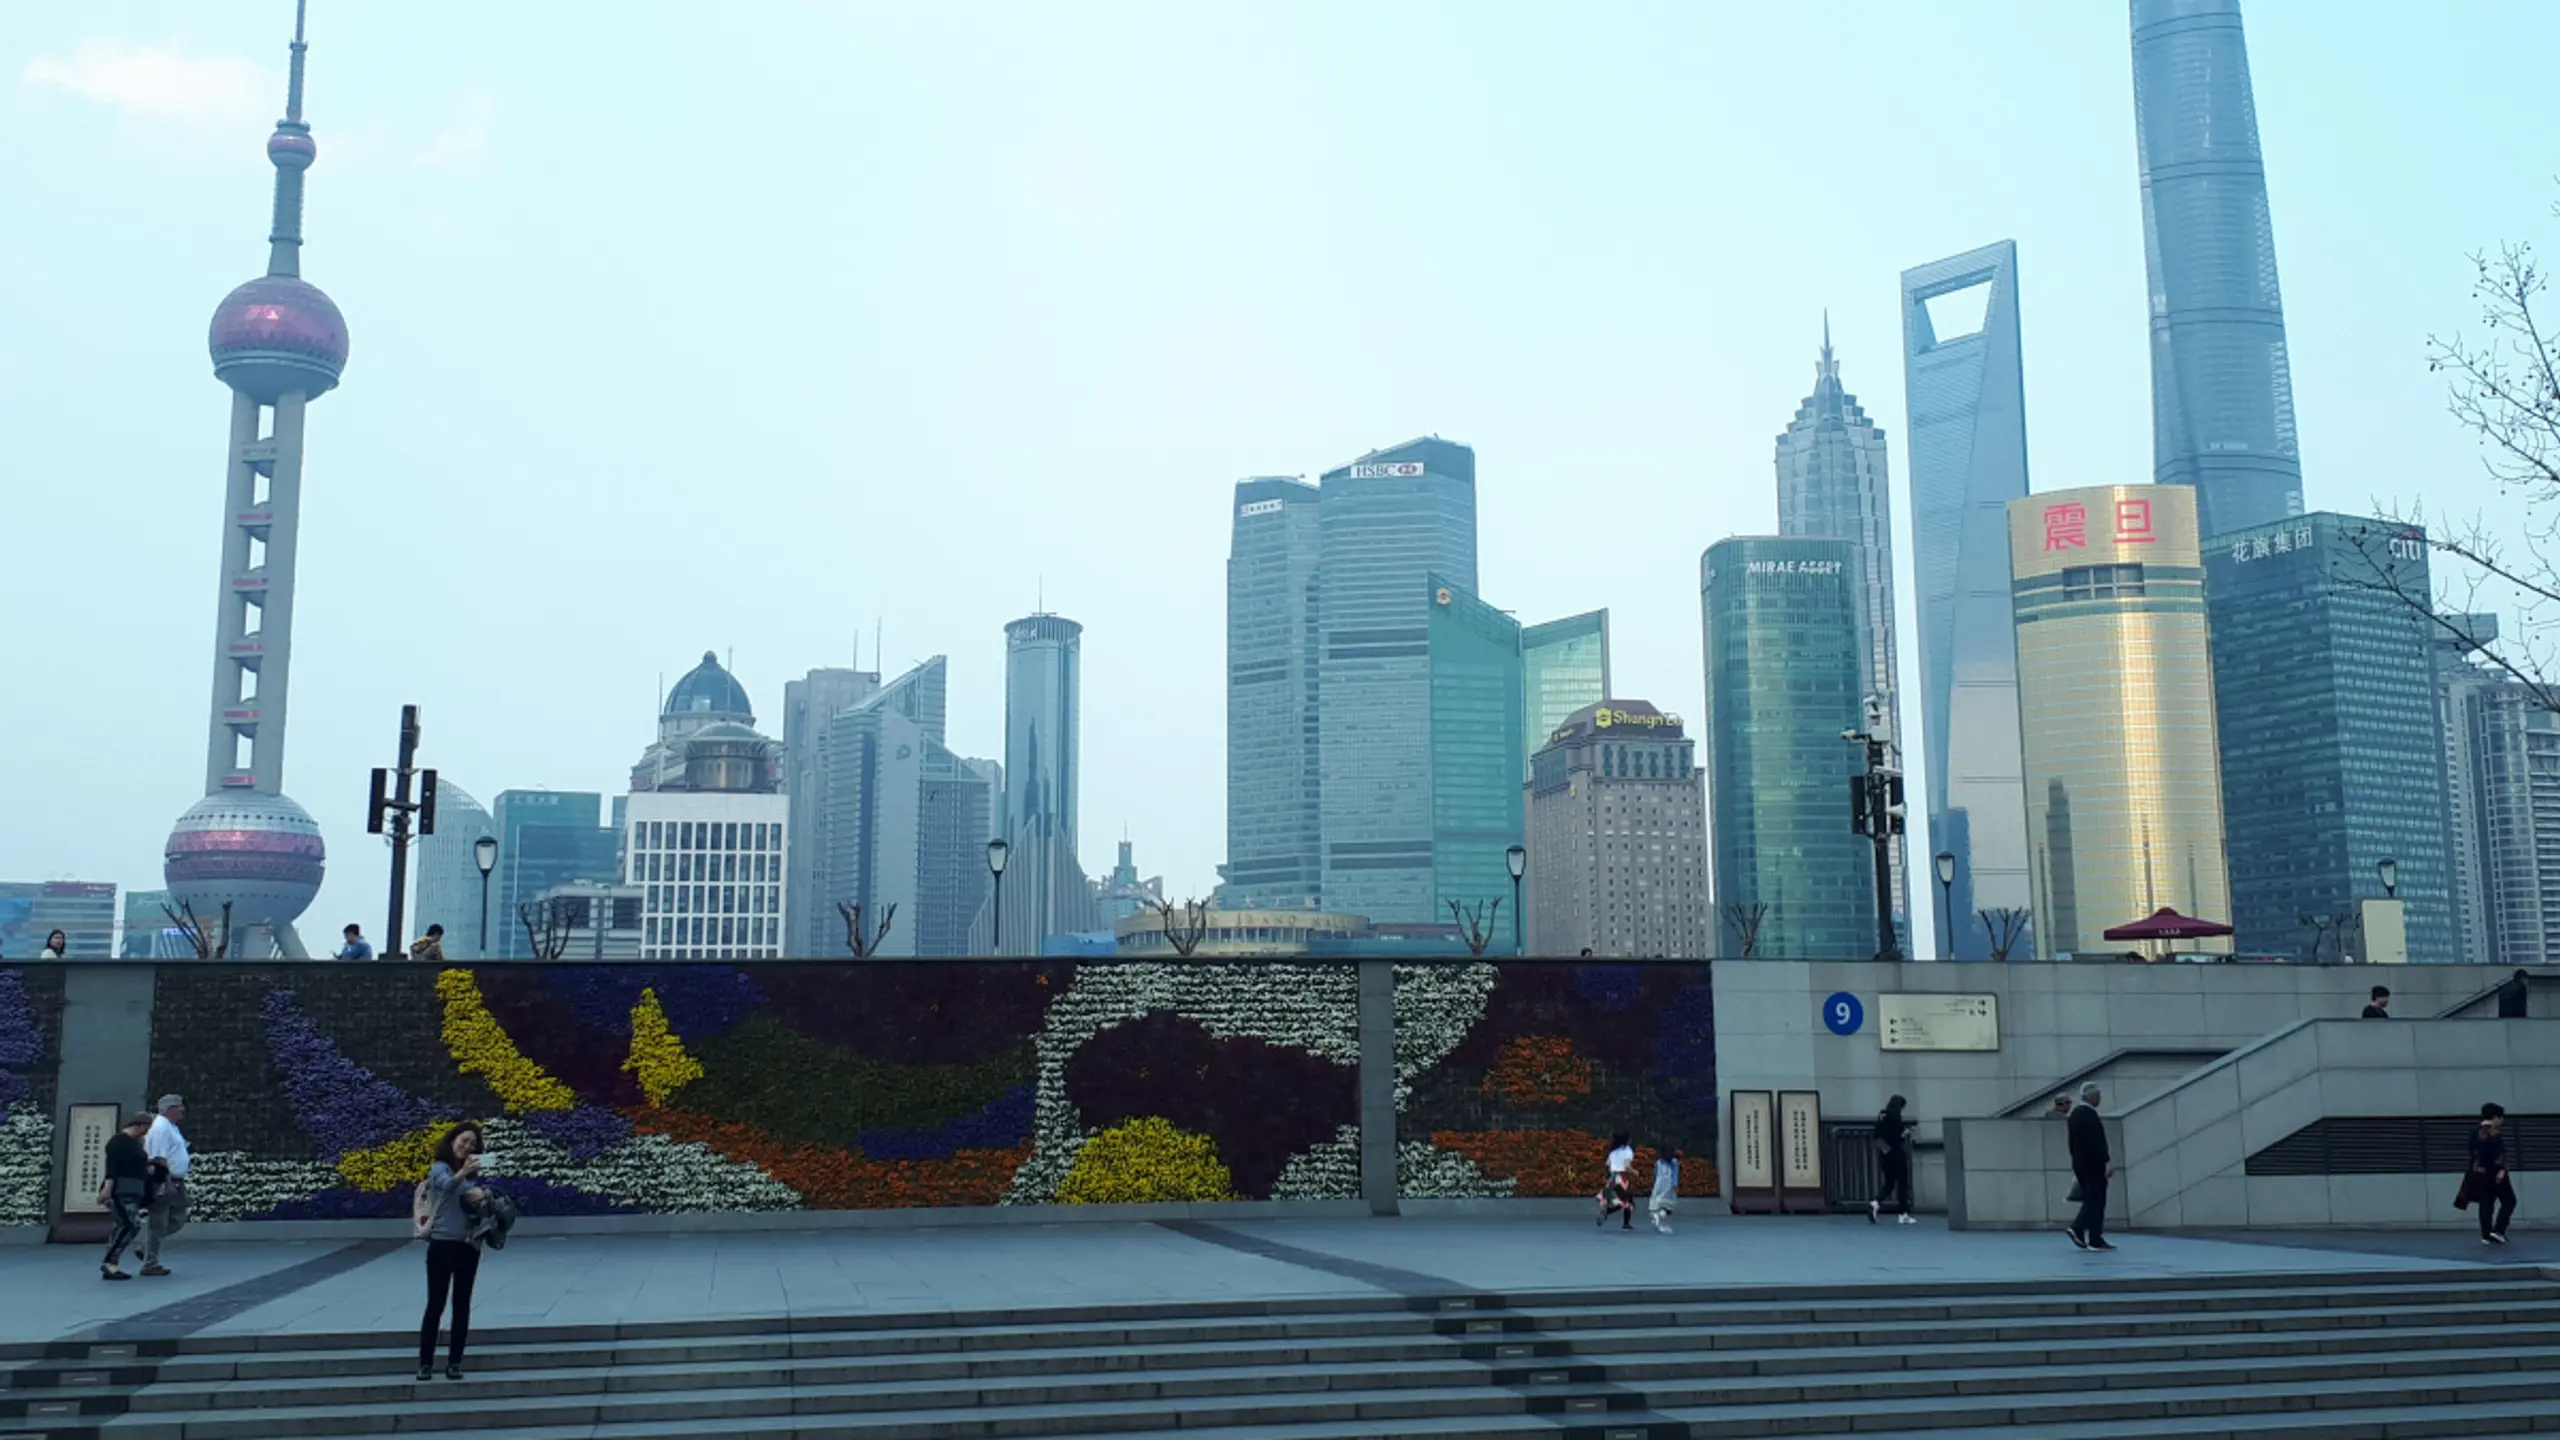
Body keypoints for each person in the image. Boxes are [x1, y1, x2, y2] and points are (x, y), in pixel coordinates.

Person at [418, 1122, 490, 1380]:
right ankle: (425, 1363)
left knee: (462, 1304)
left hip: (468, 1245)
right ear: (452, 1141)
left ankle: (455, 1362)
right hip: (442, 1244)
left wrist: (482, 1198)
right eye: (464, 1140)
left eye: (472, 1143)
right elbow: (445, 1186)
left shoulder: (473, 1177)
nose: (467, 1146)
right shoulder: (440, 1168)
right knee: (436, 1303)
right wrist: (463, 1175)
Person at [98, 1112, 155, 1280]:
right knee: (130, 1225)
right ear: (138, 1125)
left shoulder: (135, 1143)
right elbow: (112, 1167)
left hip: (133, 1190)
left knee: (123, 1226)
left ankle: (112, 1262)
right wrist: (108, 1188)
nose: (146, 1132)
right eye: (145, 1128)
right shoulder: (118, 1142)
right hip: (120, 1190)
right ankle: (109, 1263)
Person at [138, 1094, 190, 1275]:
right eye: (179, 1106)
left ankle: (147, 1248)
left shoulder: (171, 1127)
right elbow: (158, 1158)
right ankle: (150, 1262)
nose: (182, 1109)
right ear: (169, 1109)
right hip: (163, 1180)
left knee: (178, 1217)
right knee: (158, 1221)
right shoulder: (160, 1128)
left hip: (175, 1180)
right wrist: (166, 1182)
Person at [2066, 1084, 2114, 1251]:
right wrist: (2106, 1161)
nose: (2100, 1098)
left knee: (2092, 1198)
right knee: (2096, 1199)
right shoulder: (2089, 1115)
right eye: (2098, 1094)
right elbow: (2097, 1142)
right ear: (2091, 1096)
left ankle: (2092, 1237)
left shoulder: (2074, 1115)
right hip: (2093, 1165)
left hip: (2081, 1164)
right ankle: (2081, 1228)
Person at [2466, 1103, 2518, 1245]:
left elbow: (2474, 1153)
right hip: (2495, 1173)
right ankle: (2498, 1231)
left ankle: (2486, 1234)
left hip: (2479, 1173)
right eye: (2500, 1118)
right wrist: (2502, 1170)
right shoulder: (2494, 1133)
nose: (2501, 1121)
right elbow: (2499, 1154)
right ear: (2495, 1117)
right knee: (2509, 1200)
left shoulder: (2474, 1132)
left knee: (2486, 1203)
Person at [1871, 1095, 1916, 1225]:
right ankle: (1903, 1213)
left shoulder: (1882, 1117)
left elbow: (1877, 1136)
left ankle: (1875, 1202)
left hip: (1885, 1155)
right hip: (1897, 1154)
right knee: (1902, 1184)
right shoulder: (1896, 1119)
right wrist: (1905, 1133)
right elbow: (1897, 1137)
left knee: (1889, 1183)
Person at [1595, 1133, 1636, 1231]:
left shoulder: (1613, 1152)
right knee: (1627, 1202)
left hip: (1613, 1178)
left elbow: (1607, 1165)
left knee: (1623, 1200)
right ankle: (1613, 1215)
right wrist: (1635, 1172)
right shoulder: (1628, 1151)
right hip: (1623, 1178)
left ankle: (1611, 1214)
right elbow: (1627, 1165)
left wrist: (1607, 1177)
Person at [1648, 1145, 1680, 1234]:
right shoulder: (1674, 1162)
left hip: (1659, 1183)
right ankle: (1660, 1216)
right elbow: (1675, 1174)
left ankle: (1657, 1218)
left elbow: (1656, 1174)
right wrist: (1675, 1185)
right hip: (1668, 1184)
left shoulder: (1659, 1162)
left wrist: (1654, 1184)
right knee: (1670, 1204)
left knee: (1656, 1202)